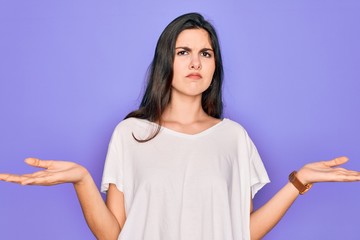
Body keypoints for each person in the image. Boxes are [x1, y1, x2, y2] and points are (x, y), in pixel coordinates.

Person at [0, 12, 359, 240]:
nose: (195, 63)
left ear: (214, 65)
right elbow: (113, 235)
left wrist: (299, 183)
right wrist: (81, 179)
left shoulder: (234, 137)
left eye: (205, 53)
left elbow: (242, 232)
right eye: (182, 52)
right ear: (165, 61)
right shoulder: (131, 135)